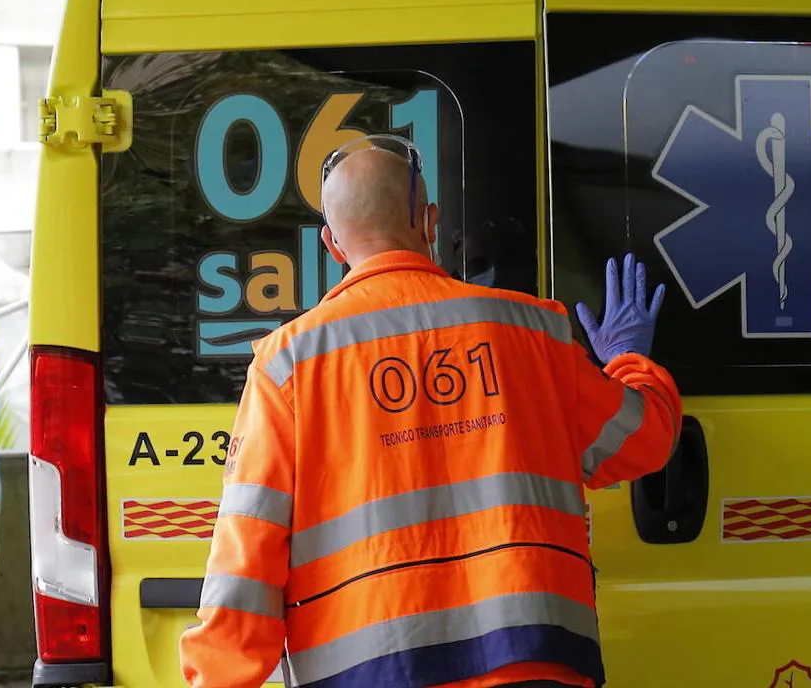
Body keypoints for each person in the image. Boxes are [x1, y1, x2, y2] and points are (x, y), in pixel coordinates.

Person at [180, 135, 682, 688]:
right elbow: (645, 439)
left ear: (332, 245)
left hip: (372, 673)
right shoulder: (533, 330)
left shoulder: (289, 365)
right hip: (534, 660)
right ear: (430, 221)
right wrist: (628, 358)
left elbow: (246, 557)